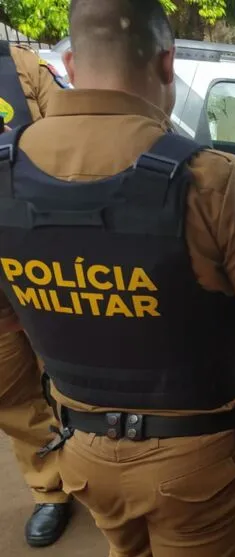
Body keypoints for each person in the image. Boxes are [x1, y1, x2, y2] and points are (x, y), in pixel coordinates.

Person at [0, 0, 235, 555]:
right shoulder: (207, 179)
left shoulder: (5, 176)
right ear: (166, 61)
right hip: (195, 466)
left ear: (71, 65)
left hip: (82, 453)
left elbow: (11, 325)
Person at [0, 39, 72, 547]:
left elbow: (71, 141)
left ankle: (95, 471)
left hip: (45, 262)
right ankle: (52, 489)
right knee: (12, 395)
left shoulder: (23, 67)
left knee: (80, 375)